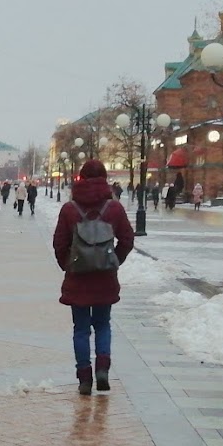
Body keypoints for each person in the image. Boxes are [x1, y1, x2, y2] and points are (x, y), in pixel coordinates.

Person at [53, 159, 134, 396]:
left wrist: (69, 265)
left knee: (80, 329)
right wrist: (113, 260)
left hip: (77, 278)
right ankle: (102, 369)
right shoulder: (114, 208)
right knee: (102, 324)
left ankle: (84, 378)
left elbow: (59, 243)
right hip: (105, 278)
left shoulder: (69, 209)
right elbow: (127, 239)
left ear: (81, 178)